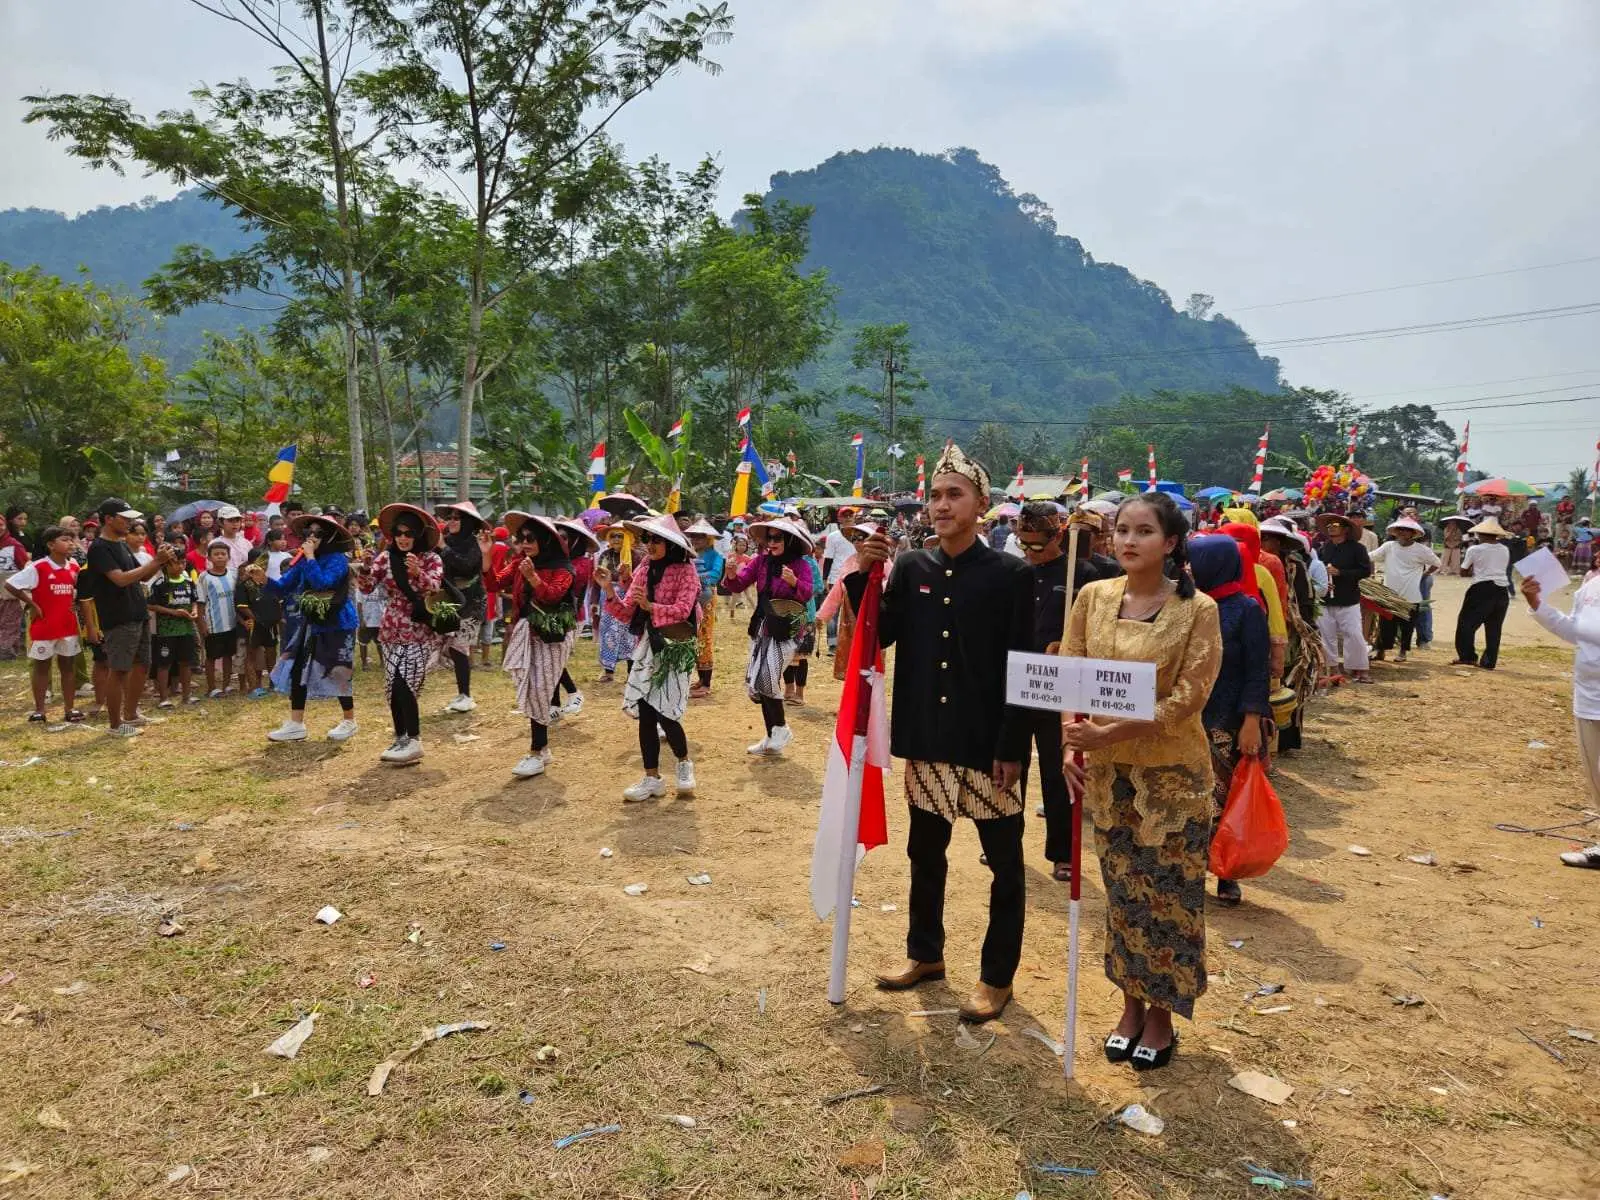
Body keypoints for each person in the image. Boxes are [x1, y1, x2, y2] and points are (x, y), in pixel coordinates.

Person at [850, 444, 1034, 1025]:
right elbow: (880, 635)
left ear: (982, 504)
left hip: (989, 747)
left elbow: (1024, 667)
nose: (941, 505)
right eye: (935, 495)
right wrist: (864, 576)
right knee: (925, 853)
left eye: (955, 494)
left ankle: (996, 977)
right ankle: (925, 954)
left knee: (1004, 864)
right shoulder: (911, 567)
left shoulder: (1012, 575)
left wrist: (1012, 746)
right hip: (928, 738)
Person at [1062, 492, 1222, 1069]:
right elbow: (1070, 673)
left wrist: (1110, 731)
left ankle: (1162, 1016)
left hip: (1172, 779)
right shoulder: (1093, 597)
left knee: (1170, 898)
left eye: (1144, 531)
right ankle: (1130, 1007)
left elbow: (1188, 698)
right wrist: (1073, 741)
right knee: (1124, 895)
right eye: (1122, 530)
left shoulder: (1197, 609)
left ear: (1171, 542)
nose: (1129, 541)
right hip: (1110, 777)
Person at [1012, 503, 1096, 881]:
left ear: (1058, 535)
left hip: (1058, 688)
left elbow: (1099, 629)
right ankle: (1005, 842)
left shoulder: (1084, 575)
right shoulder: (1015, 573)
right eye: (1023, 543)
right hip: (1017, 681)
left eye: (1037, 545)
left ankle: (1062, 852)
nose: (1030, 552)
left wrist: (1072, 645)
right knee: (1010, 765)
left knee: (1058, 769)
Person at [1189, 535, 1270, 908]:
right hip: (1186, 718)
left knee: (1223, 801)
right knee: (1187, 800)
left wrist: (1252, 719)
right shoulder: (1187, 605)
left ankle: (1226, 873)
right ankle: (1188, 872)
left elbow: (1257, 670)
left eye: (1196, 561)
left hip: (1226, 721)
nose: (1189, 568)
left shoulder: (1247, 609)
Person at [599, 514, 701, 801]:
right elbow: (627, 612)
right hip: (647, 644)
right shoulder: (644, 569)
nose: (650, 544)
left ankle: (683, 762)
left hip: (676, 645)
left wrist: (650, 606)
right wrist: (609, 589)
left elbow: (682, 610)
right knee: (646, 711)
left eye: (656, 539)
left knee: (666, 712)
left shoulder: (686, 570)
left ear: (670, 543)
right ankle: (651, 778)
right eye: (647, 539)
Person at [1521, 570, 1600, 868]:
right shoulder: (1591, 587)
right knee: (1596, 777)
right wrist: (1536, 602)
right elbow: (1575, 631)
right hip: (1590, 697)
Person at [721, 518, 817, 756]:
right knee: (758, 683)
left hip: (786, 630)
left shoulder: (800, 564)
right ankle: (771, 734)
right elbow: (738, 585)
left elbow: (808, 593)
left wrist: (794, 582)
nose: (771, 542)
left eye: (777, 538)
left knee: (767, 679)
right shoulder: (761, 561)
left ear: (790, 541)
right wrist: (731, 574)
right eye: (769, 537)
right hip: (761, 626)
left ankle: (781, 728)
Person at [497, 512, 578, 779]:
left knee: (541, 690)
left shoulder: (563, 568)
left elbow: (553, 596)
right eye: (521, 538)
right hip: (526, 633)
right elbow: (494, 583)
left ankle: (536, 752)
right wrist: (485, 557)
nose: (525, 543)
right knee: (533, 689)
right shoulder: (520, 562)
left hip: (552, 636)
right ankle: (541, 750)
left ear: (545, 540)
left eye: (530, 538)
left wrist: (532, 577)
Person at [82, 499, 173, 736]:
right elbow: (120, 579)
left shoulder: (121, 545)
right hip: (118, 616)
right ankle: (115, 724)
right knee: (119, 669)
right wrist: (156, 561)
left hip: (137, 611)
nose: (129, 523)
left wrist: (160, 561)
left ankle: (131, 714)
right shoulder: (100, 548)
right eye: (125, 518)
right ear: (109, 519)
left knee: (142, 664)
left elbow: (142, 577)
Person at [265, 514, 359, 743]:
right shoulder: (303, 559)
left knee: (338, 670)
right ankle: (296, 724)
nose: (312, 537)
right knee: (298, 667)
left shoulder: (337, 559)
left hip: (338, 623)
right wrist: (263, 580)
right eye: (309, 533)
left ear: (329, 537)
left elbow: (322, 583)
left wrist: (309, 557)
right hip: (311, 622)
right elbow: (283, 587)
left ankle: (349, 720)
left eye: (318, 533)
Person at [368, 504, 444, 764]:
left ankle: (414, 740)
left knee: (405, 683)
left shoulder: (431, 559)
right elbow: (367, 586)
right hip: (391, 627)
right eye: (398, 533)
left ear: (418, 535)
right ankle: (400, 738)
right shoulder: (385, 557)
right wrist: (363, 568)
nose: (403, 538)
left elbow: (435, 586)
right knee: (392, 686)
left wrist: (417, 573)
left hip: (419, 628)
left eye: (408, 533)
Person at [4, 525, 83, 723]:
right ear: (51, 545)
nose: (70, 543)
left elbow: (77, 591)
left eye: (71, 540)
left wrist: (76, 602)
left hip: (67, 625)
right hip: (44, 626)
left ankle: (70, 708)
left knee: (68, 666)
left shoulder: (74, 567)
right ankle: (40, 710)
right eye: (65, 540)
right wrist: (32, 603)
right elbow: (10, 584)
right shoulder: (38, 567)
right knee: (42, 666)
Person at [435, 501, 494, 714]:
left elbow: (467, 566)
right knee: (452, 648)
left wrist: (444, 548)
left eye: (456, 518)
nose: (450, 521)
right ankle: (462, 693)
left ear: (467, 522)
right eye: (449, 517)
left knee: (459, 647)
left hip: (472, 602)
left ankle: (466, 695)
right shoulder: (445, 541)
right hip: (451, 600)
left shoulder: (473, 543)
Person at [1370, 518, 1439, 663]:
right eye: (1400, 529)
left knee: (1407, 626)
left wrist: (1425, 574)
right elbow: (1371, 556)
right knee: (1385, 625)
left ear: (1413, 533)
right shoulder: (1389, 546)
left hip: (1410, 596)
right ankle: (1381, 650)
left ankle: (1402, 652)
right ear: (1396, 532)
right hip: (1389, 595)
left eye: (1406, 530)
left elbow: (1436, 563)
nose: (1402, 532)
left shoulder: (1421, 550)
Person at [1315, 512, 1373, 683]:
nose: (1331, 528)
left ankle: (1360, 669)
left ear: (1346, 529)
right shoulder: (1323, 548)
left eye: (1335, 525)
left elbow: (1365, 571)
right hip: (1326, 600)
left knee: (1354, 634)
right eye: (1329, 525)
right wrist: (1323, 581)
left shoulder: (1357, 549)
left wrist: (1341, 573)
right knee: (1326, 636)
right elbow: (1315, 569)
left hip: (1348, 599)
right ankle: (1332, 668)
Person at [1453, 517, 1513, 669]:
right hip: (1502, 588)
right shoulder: (1504, 549)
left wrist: (1474, 570)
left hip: (1481, 587)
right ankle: (1489, 661)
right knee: (1494, 627)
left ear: (1480, 534)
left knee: (1466, 623)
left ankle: (1467, 656)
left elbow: (1463, 571)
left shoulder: (1475, 549)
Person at [148, 545, 200, 708]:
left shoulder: (188, 582)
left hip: (186, 630)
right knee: (164, 664)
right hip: (166, 631)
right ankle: (164, 698)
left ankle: (187, 696)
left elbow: (194, 601)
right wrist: (173, 612)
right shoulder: (160, 583)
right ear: (166, 564)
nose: (181, 566)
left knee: (186, 662)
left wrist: (194, 611)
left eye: (183, 562)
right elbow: (151, 605)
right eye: (176, 563)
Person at [686, 519, 725, 698]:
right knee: (693, 636)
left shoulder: (716, 556)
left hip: (706, 597)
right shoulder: (689, 553)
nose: (696, 539)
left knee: (704, 636)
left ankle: (706, 682)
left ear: (708, 538)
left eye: (700, 536)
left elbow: (715, 575)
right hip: (690, 596)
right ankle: (701, 679)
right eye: (693, 536)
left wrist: (695, 577)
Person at [197, 540, 240, 699]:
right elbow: (201, 603)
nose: (220, 557)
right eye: (216, 554)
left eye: (223, 554)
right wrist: (202, 624)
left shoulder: (233, 574)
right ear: (209, 557)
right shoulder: (204, 577)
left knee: (228, 655)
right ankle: (212, 688)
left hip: (231, 623)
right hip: (214, 625)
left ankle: (226, 684)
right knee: (211, 657)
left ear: (228, 557)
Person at [593, 526, 636, 683]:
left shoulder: (635, 556)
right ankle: (608, 672)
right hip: (607, 598)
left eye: (620, 536)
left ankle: (632, 673)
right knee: (607, 634)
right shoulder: (604, 555)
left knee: (630, 635)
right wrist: (593, 602)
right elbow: (597, 579)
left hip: (628, 599)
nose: (616, 539)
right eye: (613, 536)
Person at [0, 506, 31, 659]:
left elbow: (25, 566)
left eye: (1, 525)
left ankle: (6, 651)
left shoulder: (14, 545)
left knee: (10, 621)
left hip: (10, 590)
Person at [213, 505, 252, 570]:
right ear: (220, 522)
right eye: (230, 520)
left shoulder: (247, 543)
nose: (235, 524)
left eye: (237, 520)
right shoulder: (215, 544)